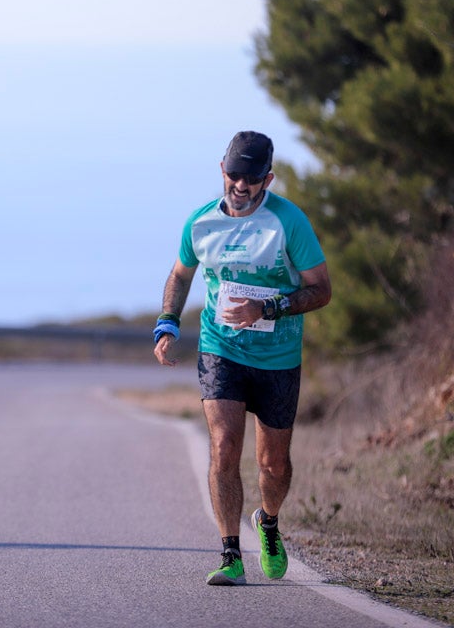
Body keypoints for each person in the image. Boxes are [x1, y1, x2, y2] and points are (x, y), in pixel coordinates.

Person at [153, 131, 331, 586]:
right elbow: (179, 273)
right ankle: (230, 552)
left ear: (267, 178)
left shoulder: (288, 222)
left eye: (251, 179)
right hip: (221, 349)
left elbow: (321, 290)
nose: (241, 185)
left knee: (273, 465)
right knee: (224, 446)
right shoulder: (200, 223)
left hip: (278, 356)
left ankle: (267, 523)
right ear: (222, 170)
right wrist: (168, 320)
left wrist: (267, 308)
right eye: (234, 175)